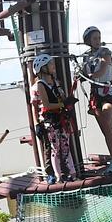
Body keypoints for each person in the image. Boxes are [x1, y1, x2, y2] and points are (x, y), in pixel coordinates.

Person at [79, 26, 112, 174]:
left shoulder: (105, 52)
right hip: (95, 95)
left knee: (107, 123)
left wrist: (90, 76)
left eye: (98, 37)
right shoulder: (85, 56)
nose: (97, 40)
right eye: (94, 38)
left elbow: (103, 69)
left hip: (107, 91)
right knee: (105, 128)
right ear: (88, 41)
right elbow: (83, 72)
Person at [30, 54, 77, 183]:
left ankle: (71, 172)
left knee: (65, 146)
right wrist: (63, 104)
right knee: (55, 147)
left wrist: (64, 98)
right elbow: (46, 105)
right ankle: (57, 175)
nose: (53, 66)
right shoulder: (40, 85)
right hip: (51, 121)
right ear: (43, 68)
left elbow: (60, 98)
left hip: (60, 117)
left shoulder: (55, 83)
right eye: (50, 64)